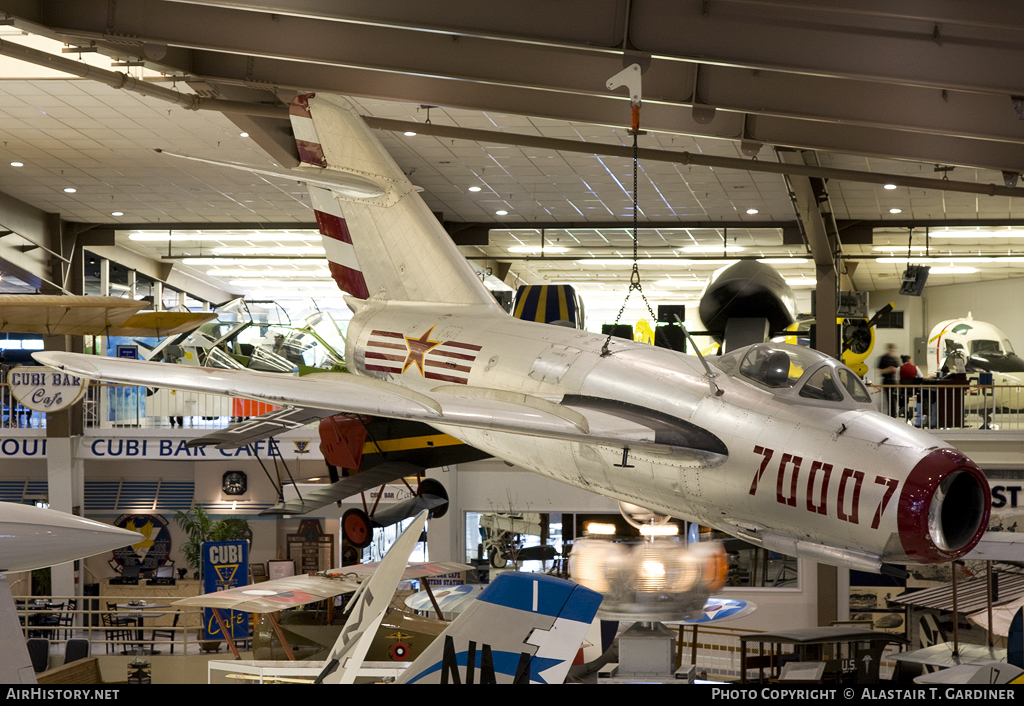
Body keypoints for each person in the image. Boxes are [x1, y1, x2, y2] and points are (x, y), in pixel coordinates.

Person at [877, 344, 900, 416]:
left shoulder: (894, 359)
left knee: (894, 399)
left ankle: (893, 414)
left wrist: (894, 370)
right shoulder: (883, 358)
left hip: (893, 380)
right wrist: (888, 370)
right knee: (889, 399)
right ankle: (890, 414)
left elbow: (898, 370)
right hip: (886, 380)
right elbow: (881, 371)